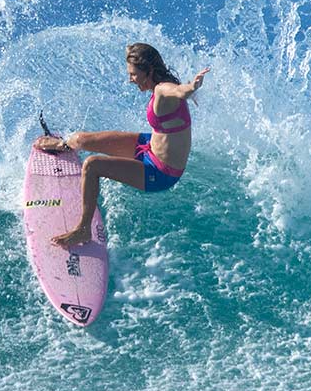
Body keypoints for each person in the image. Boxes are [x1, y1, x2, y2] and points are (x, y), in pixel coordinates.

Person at [35, 43, 209, 249]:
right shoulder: (159, 84)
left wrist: (192, 87)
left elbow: (180, 91)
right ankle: (64, 144)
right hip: (149, 145)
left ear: (149, 71)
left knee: (92, 165)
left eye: (134, 74)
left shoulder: (163, 88)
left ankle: (83, 230)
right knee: (81, 139)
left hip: (161, 171)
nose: (130, 80)